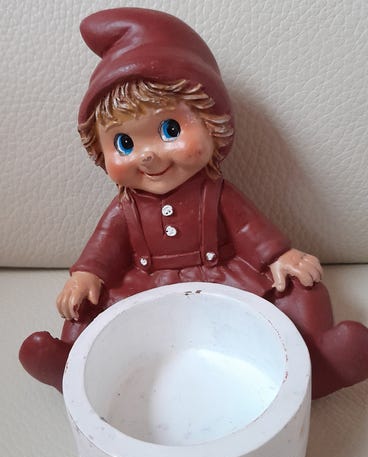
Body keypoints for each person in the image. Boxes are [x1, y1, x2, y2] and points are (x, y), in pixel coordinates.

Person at [19, 7, 368, 398]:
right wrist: (87, 275)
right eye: (125, 143)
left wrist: (279, 257)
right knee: (87, 307)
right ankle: (74, 366)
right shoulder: (124, 208)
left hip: (222, 277)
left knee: (303, 289)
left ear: (213, 124)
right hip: (146, 286)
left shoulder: (217, 193)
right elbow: (104, 247)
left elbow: (249, 229)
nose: (147, 155)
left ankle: (316, 362)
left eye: (170, 129)